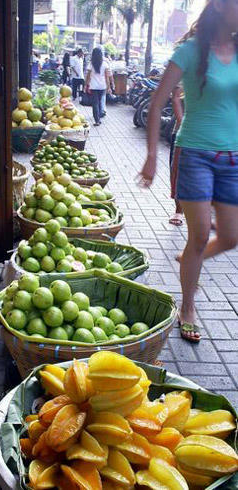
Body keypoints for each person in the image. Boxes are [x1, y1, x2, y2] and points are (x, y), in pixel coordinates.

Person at [138, 0, 238, 343]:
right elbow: (157, 102)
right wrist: (152, 156)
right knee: (198, 236)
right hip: (195, 154)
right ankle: (188, 307)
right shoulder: (192, 50)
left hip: (233, 159)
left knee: (230, 236)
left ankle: (189, 258)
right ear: (223, 6)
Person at [169, 85, 185, 226]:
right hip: (184, 134)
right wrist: (183, 125)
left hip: (214, 136)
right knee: (178, 172)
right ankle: (179, 209)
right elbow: (176, 99)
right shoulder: (187, 69)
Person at [84, 47, 111, 126]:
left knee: (95, 103)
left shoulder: (91, 64)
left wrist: (86, 85)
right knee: (99, 102)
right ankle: (99, 117)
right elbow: (107, 77)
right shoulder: (105, 64)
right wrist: (108, 87)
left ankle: (97, 120)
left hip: (93, 86)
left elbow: (88, 76)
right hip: (102, 86)